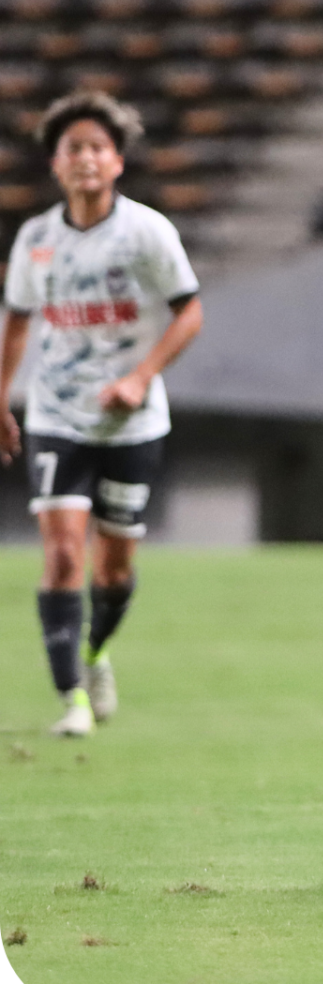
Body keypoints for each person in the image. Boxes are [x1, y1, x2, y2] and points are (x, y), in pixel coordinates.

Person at [1, 91, 204, 738]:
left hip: (131, 423)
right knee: (63, 553)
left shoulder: (147, 232)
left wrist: (140, 377)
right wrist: (2, 396)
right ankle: (73, 701)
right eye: (73, 148)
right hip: (56, 415)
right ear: (55, 164)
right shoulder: (36, 240)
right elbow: (17, 323)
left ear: (117, 161)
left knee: (113, 568)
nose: (85, 158)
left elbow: (190, 313)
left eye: (97, 147)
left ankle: (95, 654)